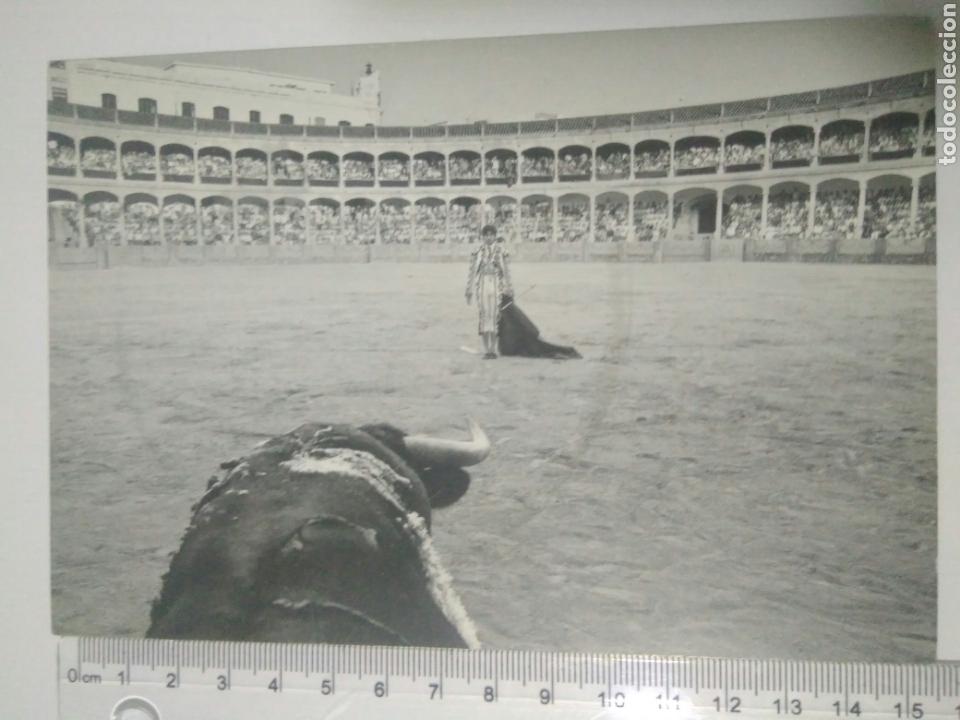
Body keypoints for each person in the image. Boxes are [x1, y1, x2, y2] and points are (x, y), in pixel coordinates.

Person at [465, 224, 512, 359]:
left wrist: (509, 288)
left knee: (495, 315)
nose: (489, 237)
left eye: (491, 234)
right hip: (482, 284)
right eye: (486, 235)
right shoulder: (477, 251)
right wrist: (469, 290)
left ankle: (493, 349)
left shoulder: (502, 250)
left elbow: (507, 272)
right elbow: (472, 271)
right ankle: (487, 350)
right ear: (483, 236)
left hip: (497, 284)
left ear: (495, 236)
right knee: (484, 315)